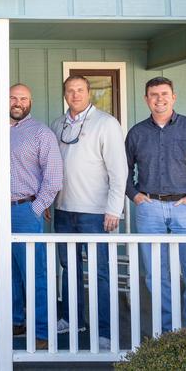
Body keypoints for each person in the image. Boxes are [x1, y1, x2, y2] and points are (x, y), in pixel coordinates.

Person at [126, 76, 186, 332]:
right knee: (156, 276)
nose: (160, 99)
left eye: (164, 94)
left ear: (173, 97)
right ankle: (165, 333)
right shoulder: (137, 133)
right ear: (146, 99)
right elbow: (121, 170)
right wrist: (134, 195)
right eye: (154, 95)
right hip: (150, 208)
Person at [0, 84, 62, 346]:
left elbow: (53, 179)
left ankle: (42, 331)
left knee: (34, 273)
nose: (17, 102)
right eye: (13, 98)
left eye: (23, 98)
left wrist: (35, 208)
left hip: (24, 209)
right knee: (5, 271)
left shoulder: (41, 133)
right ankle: (13, 321)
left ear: (30, 102)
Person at [50, 75, 127, 349]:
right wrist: (50, 202)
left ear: (89, 92)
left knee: (100, 272)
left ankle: (105, 330)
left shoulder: (106, 123)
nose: (75, 94)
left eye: (80, 90)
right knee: (68, 268)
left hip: (95, 212)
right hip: (63, 209)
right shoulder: (58, 124)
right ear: (65, 94)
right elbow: (51, 169)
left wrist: (113, 209)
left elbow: (119, 171)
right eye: (70, 90)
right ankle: (72, 319)